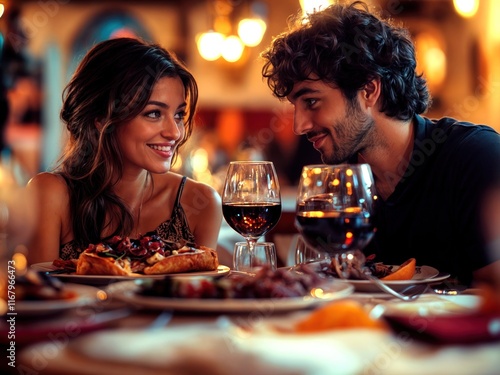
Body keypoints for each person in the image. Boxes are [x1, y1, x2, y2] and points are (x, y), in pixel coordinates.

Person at [260, 1, 500, 287]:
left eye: (311, 101)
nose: (300, 125)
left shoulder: (476, 158)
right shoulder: (345, 181)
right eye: (295, 107)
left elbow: (495, 298)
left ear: (369, 90)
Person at [26, 37, 222, 264]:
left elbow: (200, 296)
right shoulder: (50, 194)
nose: (175, 133)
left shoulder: (201, 203)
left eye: (178, 115)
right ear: (101, 119)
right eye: (154, 113)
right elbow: (39, 295)